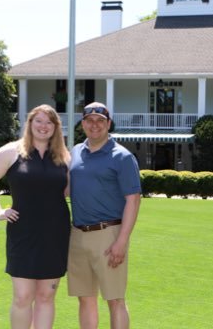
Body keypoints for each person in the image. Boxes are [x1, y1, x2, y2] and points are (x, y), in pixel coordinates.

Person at [0, 104, 71, 329]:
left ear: (56, 127)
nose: (43, 126)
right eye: (38, 121)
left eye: (49, 122)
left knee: (46, 297)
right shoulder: (11, 151)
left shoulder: (64, 157)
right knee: (22, 296)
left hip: (55, 234)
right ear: (29, 123)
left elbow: (68, 192)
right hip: (23, 234)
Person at [68, 101, 141, 329]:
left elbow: (133, 199)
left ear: (108, 124)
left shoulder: (122, 157)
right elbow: (68, 189)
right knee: (85, 298)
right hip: (77, 235)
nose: (95, 125)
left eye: (100, 121)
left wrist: (122, 241)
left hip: (109, 234)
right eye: (89, 120)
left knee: (115, 299)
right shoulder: (76, 152)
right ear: (83, 124)